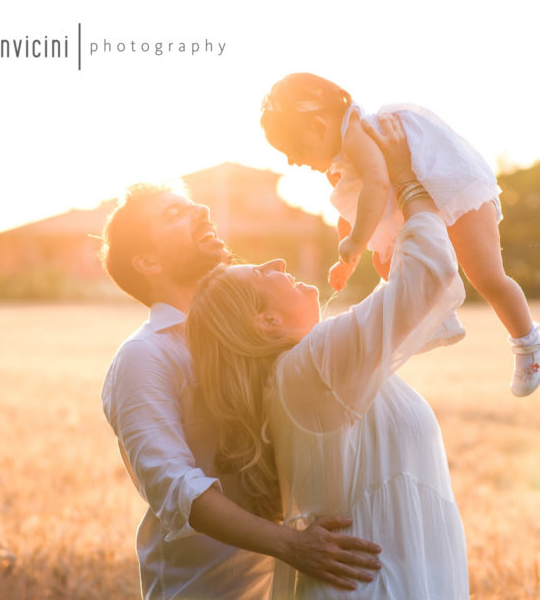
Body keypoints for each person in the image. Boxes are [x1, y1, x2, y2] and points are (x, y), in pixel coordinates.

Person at [185, 122, 471, 598]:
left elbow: (418, 302)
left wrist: (386, 232)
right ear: (266, 323)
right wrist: (404, 179)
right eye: (261, 274)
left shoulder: (315, 367)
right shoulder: (311, 366)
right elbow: (430, 272)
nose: (278, 263)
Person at [100, 185, 383, 599]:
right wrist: (292, 545)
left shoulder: (256, 332)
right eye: (174, 213)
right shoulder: (145, 356)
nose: (201, 208)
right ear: (148, 261)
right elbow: (177, 489)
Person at [260, 72, 540, 396]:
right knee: (386, 265)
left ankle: (530, 341)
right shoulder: (341, 156)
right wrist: (349, 257)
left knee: (486, 276)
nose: (292, 161)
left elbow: (376, 183)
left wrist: (357, 241)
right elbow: (352, 207)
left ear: (317, 125)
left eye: (293, 148)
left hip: (452, 186)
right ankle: (436, 315)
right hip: (418, 197)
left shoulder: (357, 132)